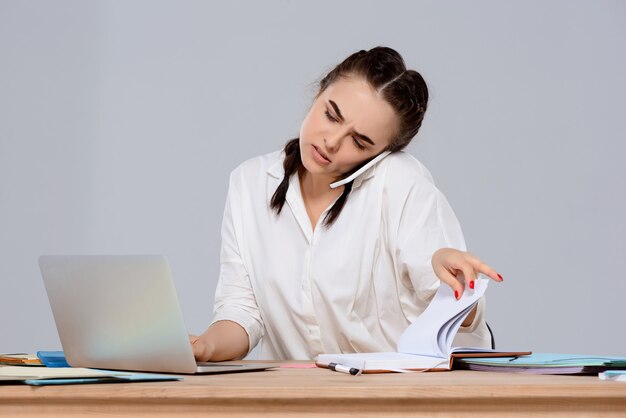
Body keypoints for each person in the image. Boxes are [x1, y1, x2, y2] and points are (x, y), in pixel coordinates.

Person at [190, 47, 503, 361]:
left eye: (359, 142)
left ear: (382, 153)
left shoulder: (401, 182)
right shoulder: (250, 182)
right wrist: (205, 347)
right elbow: (242, 311)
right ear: (318, 92)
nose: (331, 141)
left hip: (401, 398)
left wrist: (454, 282)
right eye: (330, 115)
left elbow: (459, 317)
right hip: (300, 402)